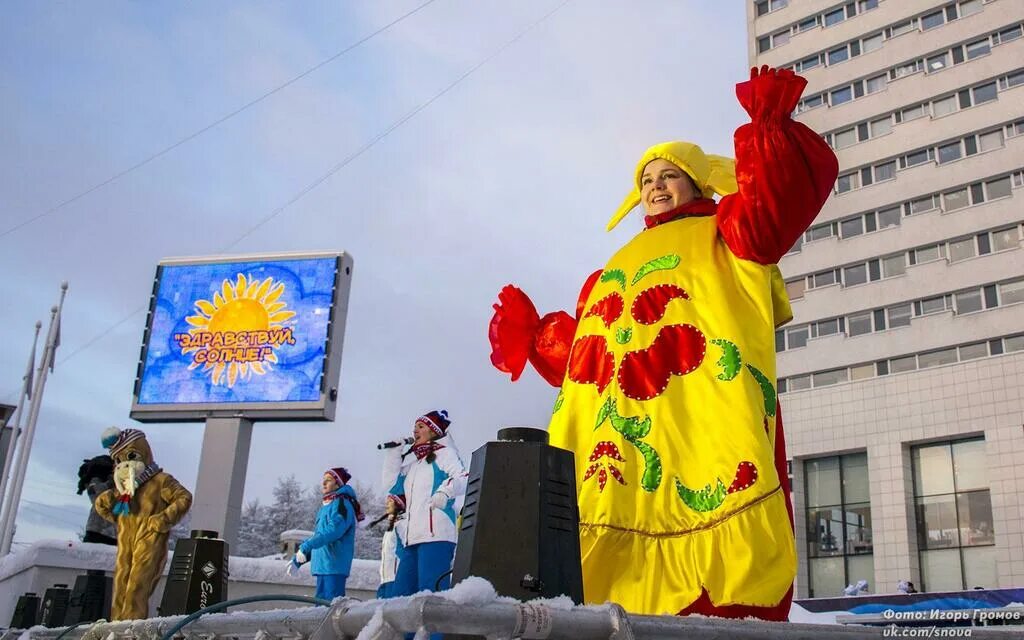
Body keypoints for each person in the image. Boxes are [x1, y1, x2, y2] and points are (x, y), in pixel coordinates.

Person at [488, 66, 838, 619]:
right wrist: (537, 337)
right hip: (617, 443)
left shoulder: (728, 230)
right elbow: (587, 355)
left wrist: (769, 130)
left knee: (711, 569)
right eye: (647, 177)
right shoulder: (613, 266)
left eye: (669, 174)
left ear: (698, 183)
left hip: (699, 419)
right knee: (599, 574)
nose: (655, 184)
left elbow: (775, 209)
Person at [382, 410, 467, 598]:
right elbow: (391, 485)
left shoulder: (445, 454)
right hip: (411, 539)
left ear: (434, 431)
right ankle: (407, 629)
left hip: (436, 535)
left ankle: (434, 629)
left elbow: (463, 476)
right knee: (401, 596)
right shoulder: (415, 465)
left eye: (420, 426)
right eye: (414, 427)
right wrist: (394, 454)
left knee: (431, 594)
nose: (415, 431)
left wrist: (445, 491)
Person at [289, 467, 359, 601]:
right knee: (321, 612)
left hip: (334, 567)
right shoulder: (327, 506)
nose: (323, 483)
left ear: (338, 483)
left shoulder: (342, 504)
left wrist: (305, 546)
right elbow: (321, 537)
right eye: (323, 480)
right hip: (323, 567)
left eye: (328, 480)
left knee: (330, 611)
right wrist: (299, 558)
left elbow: (332, 532)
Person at [77, 454, 117, 545]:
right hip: (97, 531)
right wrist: (113, 480)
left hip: (114, 533)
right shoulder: (94, 480)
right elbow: (99, 497)